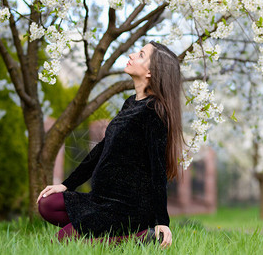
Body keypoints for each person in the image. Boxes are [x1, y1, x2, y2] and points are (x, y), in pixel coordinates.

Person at [37, 41, 184, 249]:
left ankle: (139, 236)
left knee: (60, 243)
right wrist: (67, 184)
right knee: (47, 204)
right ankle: (100, 233)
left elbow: (157, 169)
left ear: (151, 72)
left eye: (141, 54)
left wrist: (162, 221)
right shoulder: (131, 102)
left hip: (126, 208)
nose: (132, 54)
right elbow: (101, 149)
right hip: (101, 199)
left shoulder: (154, 112)